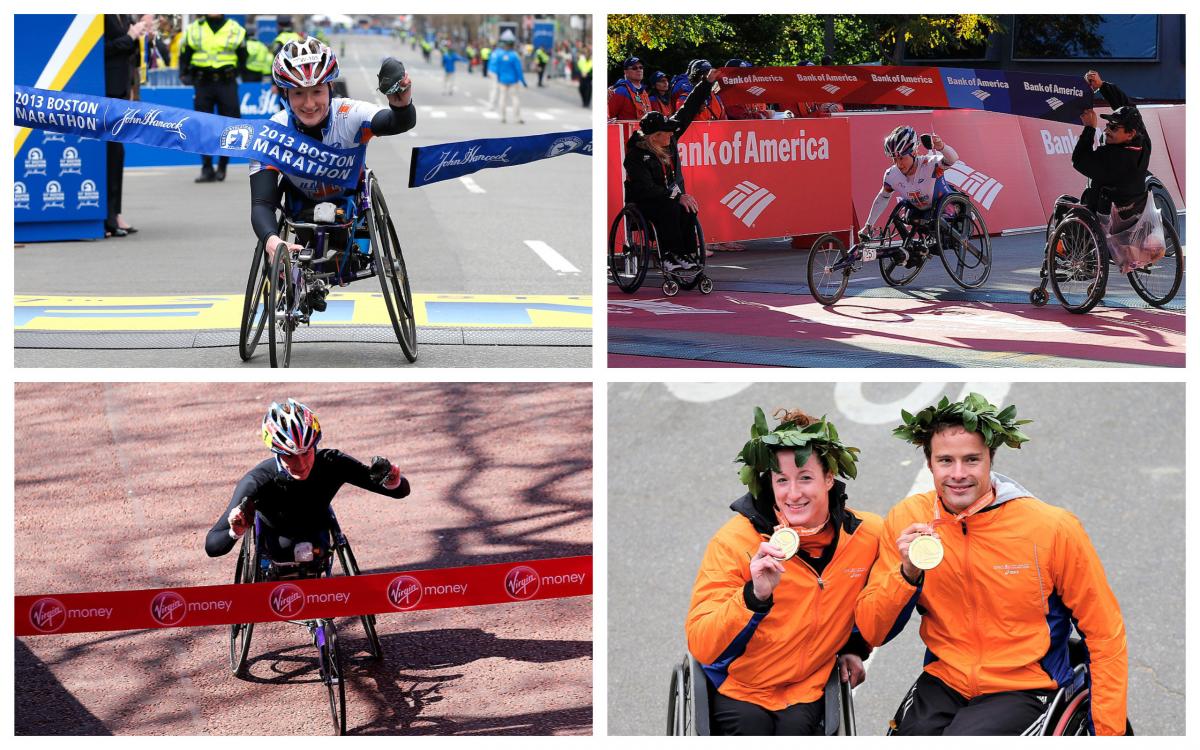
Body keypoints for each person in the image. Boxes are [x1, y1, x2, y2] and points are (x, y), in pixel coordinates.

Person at [855, 393, 1128, 735]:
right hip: (945, 679)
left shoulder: (1053, 528)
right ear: (929, 464)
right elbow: (872, 630)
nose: (958, 474)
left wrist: (1109, 734)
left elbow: (1105, 634)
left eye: (971, 460)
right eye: (945, 461)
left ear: (990, 460)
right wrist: (907, 573)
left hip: (1023, 686)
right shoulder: (907, 519)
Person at [687, 407, 880, 735]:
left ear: (829, 478)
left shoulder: (868, 535)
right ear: (769, 484)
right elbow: (701, 644)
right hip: (739, 683)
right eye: (782, 480)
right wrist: (754, 595)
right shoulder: (734, 541)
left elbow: (880, 600)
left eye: (805, 477)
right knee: (751, 727)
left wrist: (854, 648)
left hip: (806, 685)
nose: (793, 493)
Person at [249, 39, 415, 312]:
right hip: (299, 205)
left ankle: (338, 260)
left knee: (342, 237)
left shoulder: (350, 114)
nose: (310, 103)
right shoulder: (271, 133)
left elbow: (396, 122)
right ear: (285, 95)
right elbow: (261, 204)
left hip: (347, 204)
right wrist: (272, 241)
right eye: (299, 94)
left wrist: (401, 105)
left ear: (330, 88)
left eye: (317, 91)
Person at [204, 399, 410, 563]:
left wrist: (391, 480)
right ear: (275, 452)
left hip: (318, 539)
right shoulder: (257, 480)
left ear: (315, 445)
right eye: (290, 455)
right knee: (281, 548)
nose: (301, 464)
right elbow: (212, 546)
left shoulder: (332, 462)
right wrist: (235, 532)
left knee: (318, 544)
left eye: (306, 452)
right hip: (275, 546)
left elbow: (399, 491)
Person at [622, 64, 720, 273]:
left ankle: (686, 254)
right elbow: (646, 189)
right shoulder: (636, 156)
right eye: (665, 134)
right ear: (652, 137)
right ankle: (669, 255)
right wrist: (675, 197)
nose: (670, 136)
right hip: (646, 200)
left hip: (672, 195)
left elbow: (689, 108)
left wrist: (707, 83)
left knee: (688, 208)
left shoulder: (670, 136)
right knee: (671, 208)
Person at [859, 125, 957, 263]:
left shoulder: (929, 164)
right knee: (905, 215)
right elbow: (883, 197)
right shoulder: (891, 174)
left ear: (914, 152)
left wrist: (942, 147)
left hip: (943, 210)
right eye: (894, 158)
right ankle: (910, 253)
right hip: (918, 212)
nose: (898, 164)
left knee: (935, 218)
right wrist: (869, 225)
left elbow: (953, 159)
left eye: (901, 158)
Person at [180, 14, 247, 183]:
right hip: (203, 82)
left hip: (227, 82)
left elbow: (243, 55)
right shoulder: (195, 28)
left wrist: (233, 74)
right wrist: (184, 74)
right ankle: (207, 167)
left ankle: (222, 165)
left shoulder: (235, 28)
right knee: (203, 125)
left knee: (230, 125)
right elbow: (185, 53)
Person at [102, 14, 147, 237]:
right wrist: (129, 36)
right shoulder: (101, 15)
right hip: (105, 91)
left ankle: (114, 213)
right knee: (110, 154)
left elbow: (130, 53)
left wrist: (139, 34)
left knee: (117, 154)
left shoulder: (124, 14)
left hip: (121, 90)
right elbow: (103, 50)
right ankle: (107, 217)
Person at [490, 32, 527, 124]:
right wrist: (522, 81)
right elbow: (519, 70)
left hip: (502, 80)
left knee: (502, 98)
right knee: (515, 98)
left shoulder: (500, 55)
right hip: (513, 80)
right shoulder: (514, 56)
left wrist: (498, 78)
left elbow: (497, 68)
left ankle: (502, 117)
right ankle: (517, 118)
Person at [608, 56, 651, 121]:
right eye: (634, 68)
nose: (639, 70)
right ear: (626, 72)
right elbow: (609, 117)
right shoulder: (620, 91)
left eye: (641, 67)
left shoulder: (643, 91)